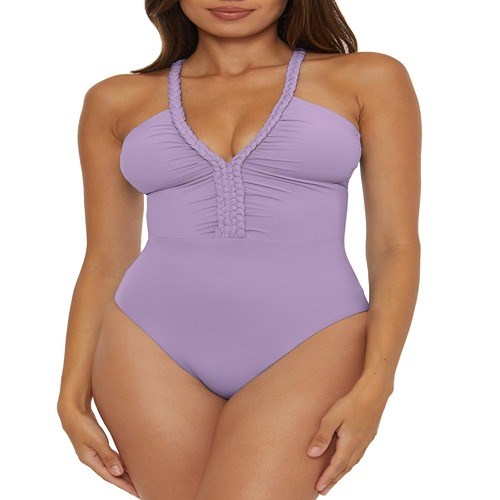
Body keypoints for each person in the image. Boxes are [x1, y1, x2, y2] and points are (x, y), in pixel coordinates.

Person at [57, 0, 421, 498]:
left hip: (314, 340)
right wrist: (71, 394)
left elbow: (394, 245)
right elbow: (105, 260)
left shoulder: (368, 78)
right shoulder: (115, 99)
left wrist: (377, 384)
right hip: (148, 346)